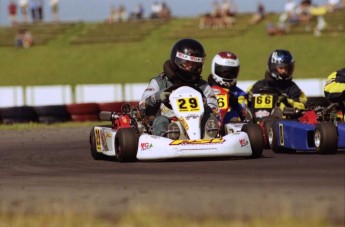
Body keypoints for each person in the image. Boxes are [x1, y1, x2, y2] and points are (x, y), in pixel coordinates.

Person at [139, 38, 219, 136]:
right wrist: (158, 96)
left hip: (197, 124)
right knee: (161, 120)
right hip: (169, 122)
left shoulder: (202, 86)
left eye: (194, 64)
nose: (190, 67)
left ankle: (209, 136)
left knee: (210, 116)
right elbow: (142, 106)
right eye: (187, 63)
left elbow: (215, 111)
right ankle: (167, 137)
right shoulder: (160, 82)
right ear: (177, 60)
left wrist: (205, 105)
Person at [247, 49, 307, 117]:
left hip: (283, 123)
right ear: (273, 67)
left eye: (287, 69)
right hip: (256, 123)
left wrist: (287, 101)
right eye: (281, 68)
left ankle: (275, 114)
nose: (285, 71)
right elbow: (241, 101)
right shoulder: (258, 86)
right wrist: (249, 100)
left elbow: (302, 108)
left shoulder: (293, 89)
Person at [207, 51, 249, 125]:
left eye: (231, 72)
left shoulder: (240, 94)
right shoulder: (204, 89)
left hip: (230, 129)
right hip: (208, 124)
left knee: (233, 116)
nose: (227, 75)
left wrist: (234, 103)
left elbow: (245, 115)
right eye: (224, 72)